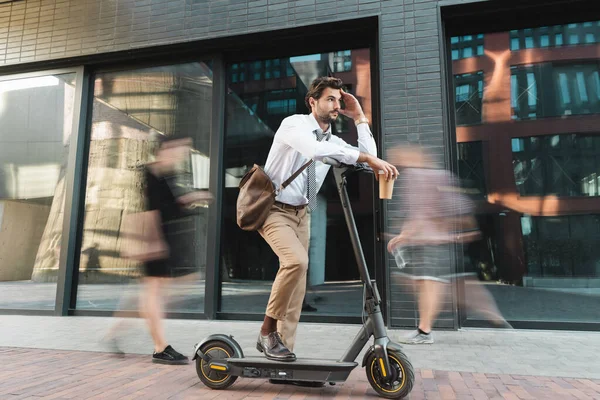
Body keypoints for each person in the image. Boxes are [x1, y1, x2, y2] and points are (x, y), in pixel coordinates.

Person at [256, 77, 398, 365]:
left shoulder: (334, 141)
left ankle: (282, 358)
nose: (336, 105)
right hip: (273, 208)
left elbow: (368, 158)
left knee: (297, 290)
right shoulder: (294, 125)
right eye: (330, 99)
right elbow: (315, 151)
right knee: (296, 262)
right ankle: (266, 332)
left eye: (338, 100)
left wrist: (359, 119)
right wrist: (365, 159)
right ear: (313, 101)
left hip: (301, 213)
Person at [103, 137, 211, 364]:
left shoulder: (166, 175)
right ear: (165, 149)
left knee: (150, 294)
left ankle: (115, 332)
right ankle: (160, 347)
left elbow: (169, 208)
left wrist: (190, 199)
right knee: (153, 294)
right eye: (180, 148)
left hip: (161, 240)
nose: (182, 154)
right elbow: (152, 208)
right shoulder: (151, 174)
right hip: (153, 240)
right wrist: (153, 244)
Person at [386, 146, 510, 345]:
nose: (395, 160)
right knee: (434, 283)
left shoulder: (415, 177)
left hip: (431, 242)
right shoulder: (440, 175)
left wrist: (403, 235)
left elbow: (421, 212)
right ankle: (488, 311)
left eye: (397, 156)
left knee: (429, 284)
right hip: (440, 241)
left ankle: (424, 331)